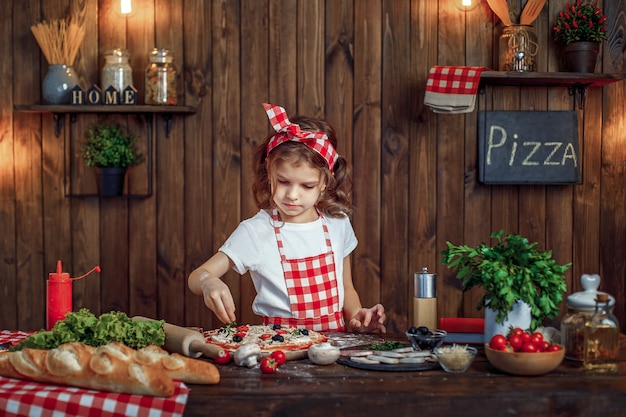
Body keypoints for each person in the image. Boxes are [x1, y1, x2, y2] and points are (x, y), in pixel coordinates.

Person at [188, 103, 386, 333]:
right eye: (283, 181)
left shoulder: (338, 223)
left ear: (325, 182)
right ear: (269, 169)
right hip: (281, 351)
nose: (292, 195)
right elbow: (197, 276)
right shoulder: (256, 231)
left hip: (333, 351)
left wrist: (358, 317)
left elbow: (347, 288)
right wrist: (208, 281)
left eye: (307, 185)